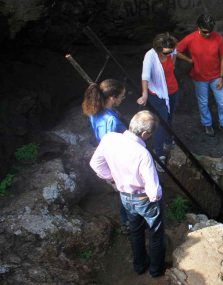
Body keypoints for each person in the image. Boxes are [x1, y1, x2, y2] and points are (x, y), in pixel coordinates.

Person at [89, 110, 165, 278]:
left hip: (125, 196)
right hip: (144, 198)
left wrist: (112, 179)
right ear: (145, 133)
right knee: (156, 233)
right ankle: (156, 270)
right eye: (150, 134)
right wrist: (157, 198)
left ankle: (139, 266)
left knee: (136, 231)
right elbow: (153, 189)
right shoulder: (143, 154)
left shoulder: (109, 139)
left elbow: (95, 164)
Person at [81, 79, 130, 235]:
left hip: (112, 155)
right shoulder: (111, 121)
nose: (123, 98)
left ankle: (127, 219)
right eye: (121, 96)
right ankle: (127, 221)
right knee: (126, 190)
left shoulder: (97, 111)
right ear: (112, 98)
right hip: (117, 158)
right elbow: (110, 144)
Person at [176, 14, 223, 137]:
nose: (207, 34)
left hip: (216, 76)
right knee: (203, 102)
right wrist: (188, 60)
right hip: (199, 77)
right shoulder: (190, 38)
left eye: (210, 32)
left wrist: (222, 77)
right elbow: (176, 50)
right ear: (198, 27)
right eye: (204, 32)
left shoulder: (218, 38)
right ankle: (207, 124)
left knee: (222, 101)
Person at [138, 33, 180, 165]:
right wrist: (145, 94)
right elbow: (145, 76)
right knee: (161, 123)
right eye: (167, 53)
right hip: (158, 94)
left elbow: (174, 56)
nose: (170, 54)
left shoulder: (171, 49)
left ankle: (168, 140)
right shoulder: (150, 56)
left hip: (173, 90)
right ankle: (159, 152)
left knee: (170, 117)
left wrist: (171, 63)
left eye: (171, 51)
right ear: (158, 50)